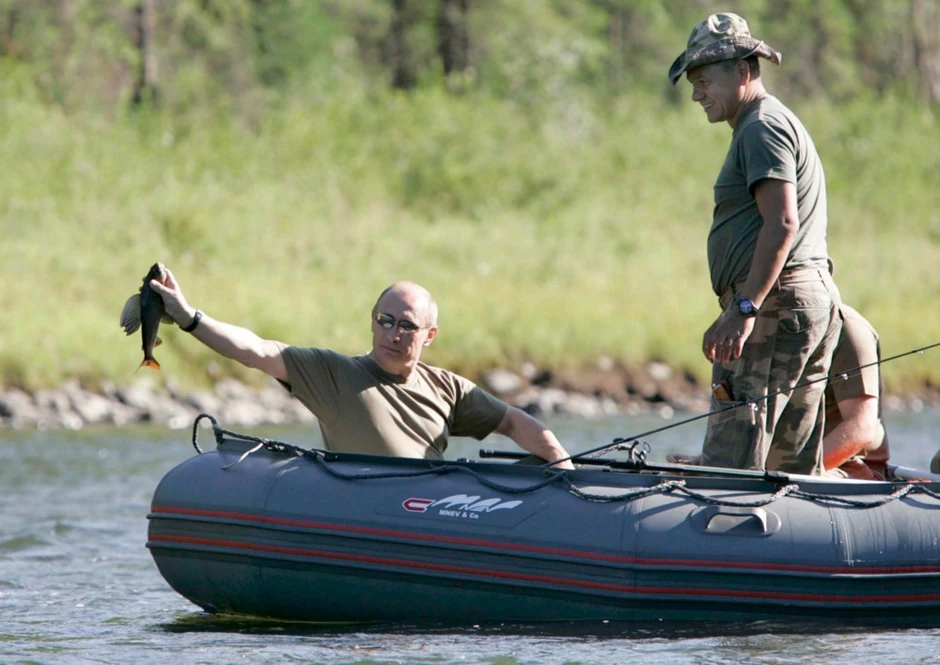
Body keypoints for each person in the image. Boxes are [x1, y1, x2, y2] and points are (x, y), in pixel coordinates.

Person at [149, 270, 575, 469]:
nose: (392, 333)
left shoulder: (449, 389)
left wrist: (560, 463)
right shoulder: (334, 375)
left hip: (431, 518)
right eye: (385, 320)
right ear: (373, 320)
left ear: (429, 336)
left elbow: (517, 424)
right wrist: (189, 318)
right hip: (362, 516)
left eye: (407, 326)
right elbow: (255, 350)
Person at [667, 13, 842, 474]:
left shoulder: (761, 127)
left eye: (704, 80)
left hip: (774, 305)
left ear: (742, 72)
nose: (695, 93)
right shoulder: (767, 123)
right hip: (803, 303)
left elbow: (783, 223)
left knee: (732, 470)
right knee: (791, 470)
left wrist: (743, 310)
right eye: (692, 82)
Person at [821, 305, 890, 480]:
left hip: (848, 469)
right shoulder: (755, 326)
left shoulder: (849, 329)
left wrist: (800, 471)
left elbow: (861, 428)